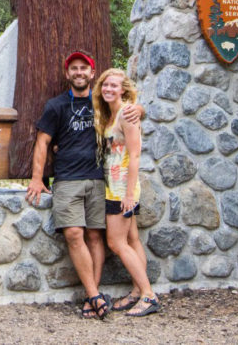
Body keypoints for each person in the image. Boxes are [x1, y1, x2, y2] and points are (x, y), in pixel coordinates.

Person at [25, 52, 143, 319]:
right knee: (74, 235)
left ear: (92, 74)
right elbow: (43, 142)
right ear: (68, 74)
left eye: (84, 69)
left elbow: (128, 110)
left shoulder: (102, 102)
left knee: (94, 236)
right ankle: (93, 295)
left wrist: (140, 108)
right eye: (74, 69)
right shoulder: (55, 106)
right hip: (67, 180)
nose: (79, 73)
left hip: (99, 179)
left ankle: (94, 296)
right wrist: (36, 178)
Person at [94, 68, 161, 317]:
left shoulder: (127, 115)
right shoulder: (110, 116)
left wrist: (130, 194)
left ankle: (148, 295)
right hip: (113, 187)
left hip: (123, 189)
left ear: (123, 89)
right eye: (105, 85)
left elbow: (134, 154)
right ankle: (136, 291)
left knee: (116, 242)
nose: (109, 89)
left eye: (114, 85)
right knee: (132, 240)